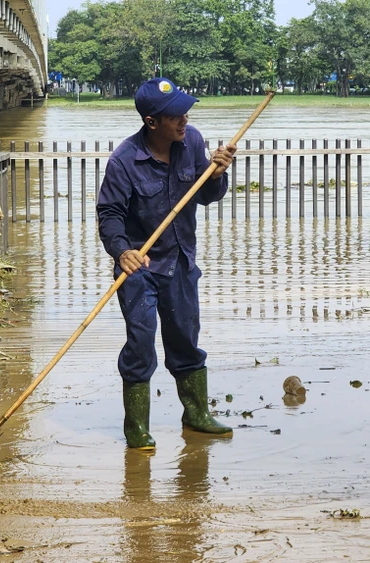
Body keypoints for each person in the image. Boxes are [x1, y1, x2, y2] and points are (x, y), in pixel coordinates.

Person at [96, 77, 237, 450]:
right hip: (139, 267)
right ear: (152, 122)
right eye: (175, 115)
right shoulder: (124, 161)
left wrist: (217, 174)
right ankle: (137, 430)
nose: (184, 120)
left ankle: (196, 414)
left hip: (180, 262)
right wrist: (122, 251)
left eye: (185, 112)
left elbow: (206, 195)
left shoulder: (191, 142)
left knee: (185, 339)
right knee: (141, 344)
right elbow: (109, 214)